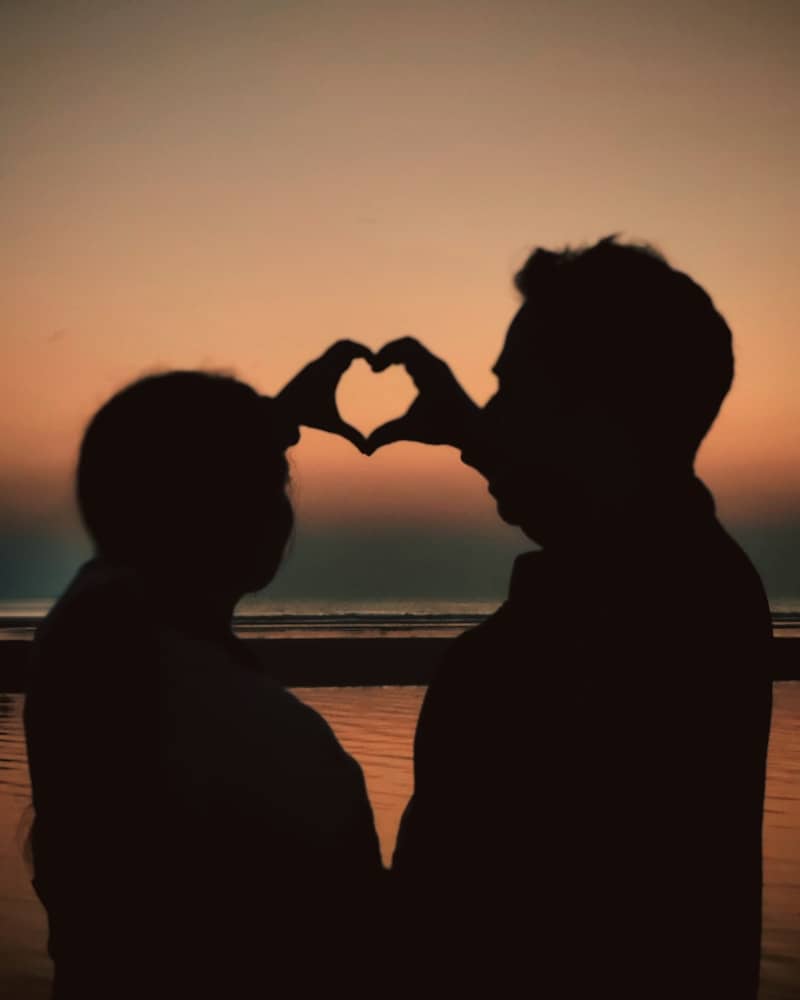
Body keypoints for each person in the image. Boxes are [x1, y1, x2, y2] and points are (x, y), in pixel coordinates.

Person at [365, 237, 773, 998]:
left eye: (512, 392)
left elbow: (451, 931)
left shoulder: (583, 637)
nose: (489, 416)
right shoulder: (703, 577)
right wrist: (484, 436)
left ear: (600, 413)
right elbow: (609, 494)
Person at [24, 343, 383, 999]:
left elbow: (147, 514)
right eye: (273, 480)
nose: (283, 504)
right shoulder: (254, 729)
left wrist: (270, 423)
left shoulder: (81, 652)